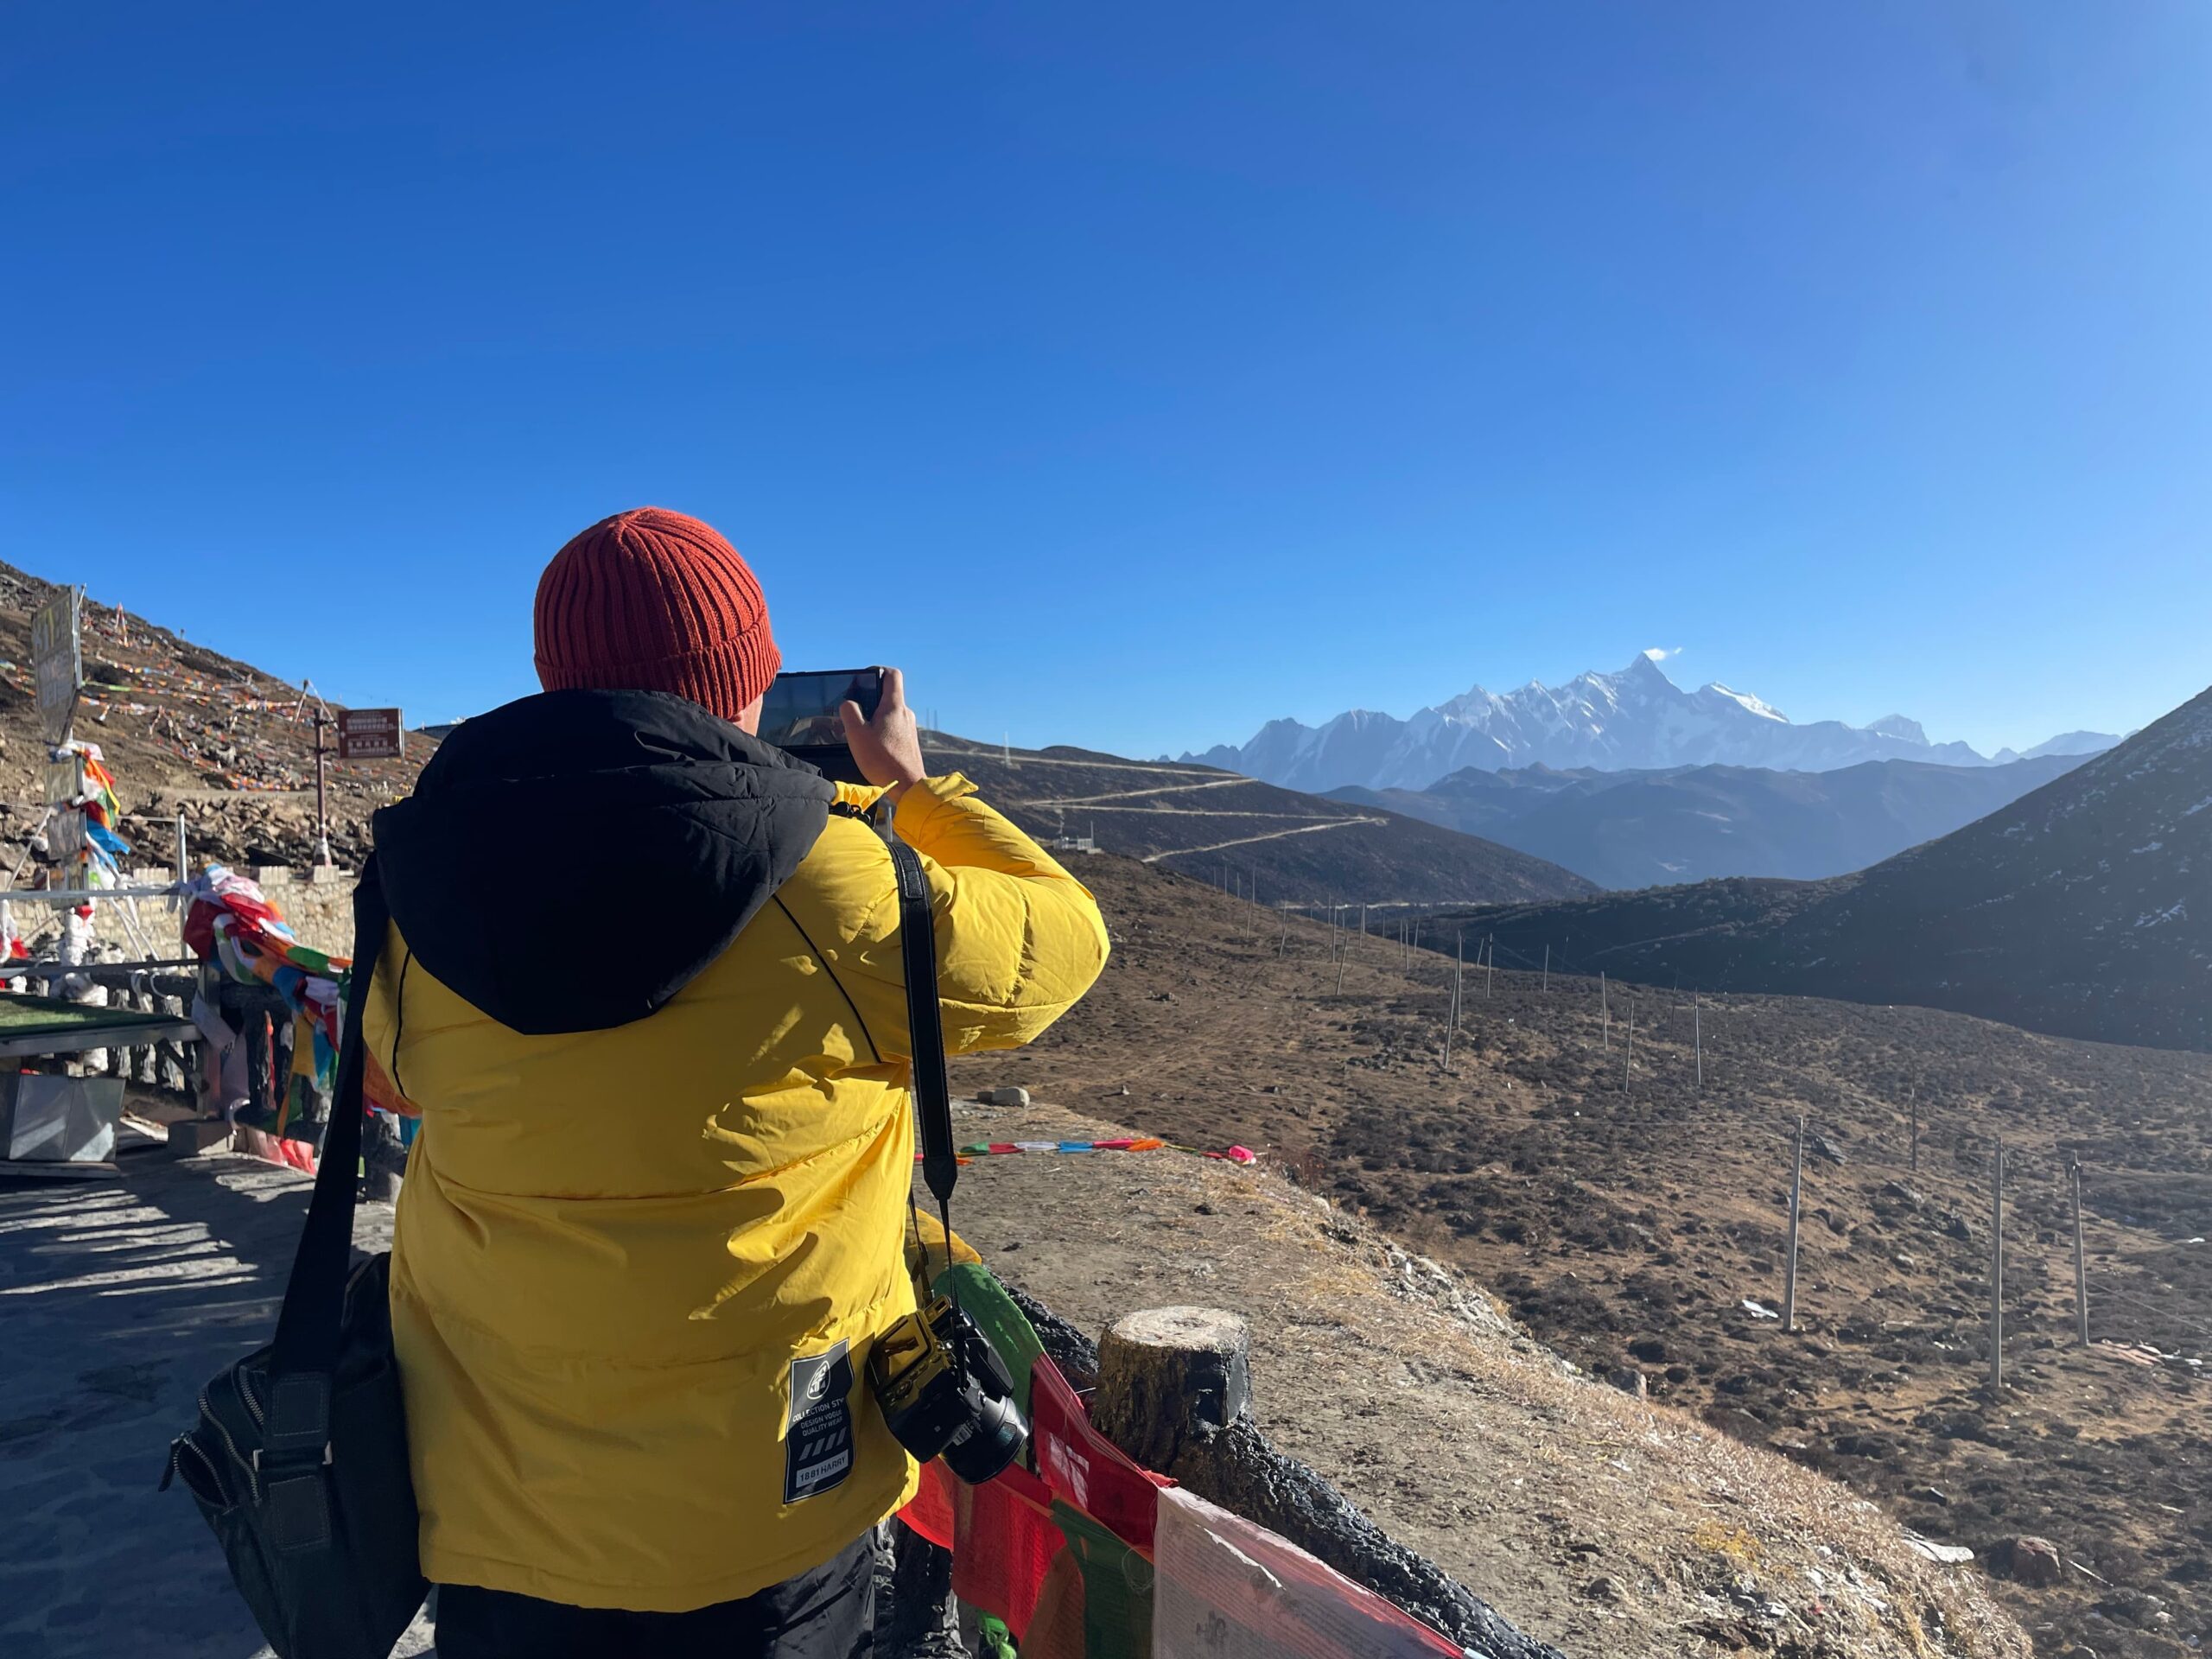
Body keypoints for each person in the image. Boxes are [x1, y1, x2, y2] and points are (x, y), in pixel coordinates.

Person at [359, 506, 1110, 1657]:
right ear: (748, 684)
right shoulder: (846, 885)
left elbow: (399, 1085)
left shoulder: (419, 888)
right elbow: (1071, 937)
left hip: (497, 1522)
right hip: (769, 1532)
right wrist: (905, 790)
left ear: (556, 681)